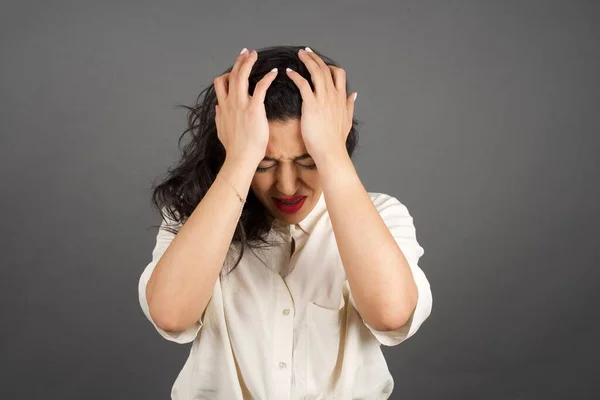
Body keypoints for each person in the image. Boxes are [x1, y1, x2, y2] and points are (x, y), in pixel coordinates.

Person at [138, 44, 433, 399]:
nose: (288, 185)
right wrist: (240, 158)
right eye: (265, 164)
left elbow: (392, 315)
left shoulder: (383, 215)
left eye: (308, 161)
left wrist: (332, 154)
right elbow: (170, 315)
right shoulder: (194, 219)